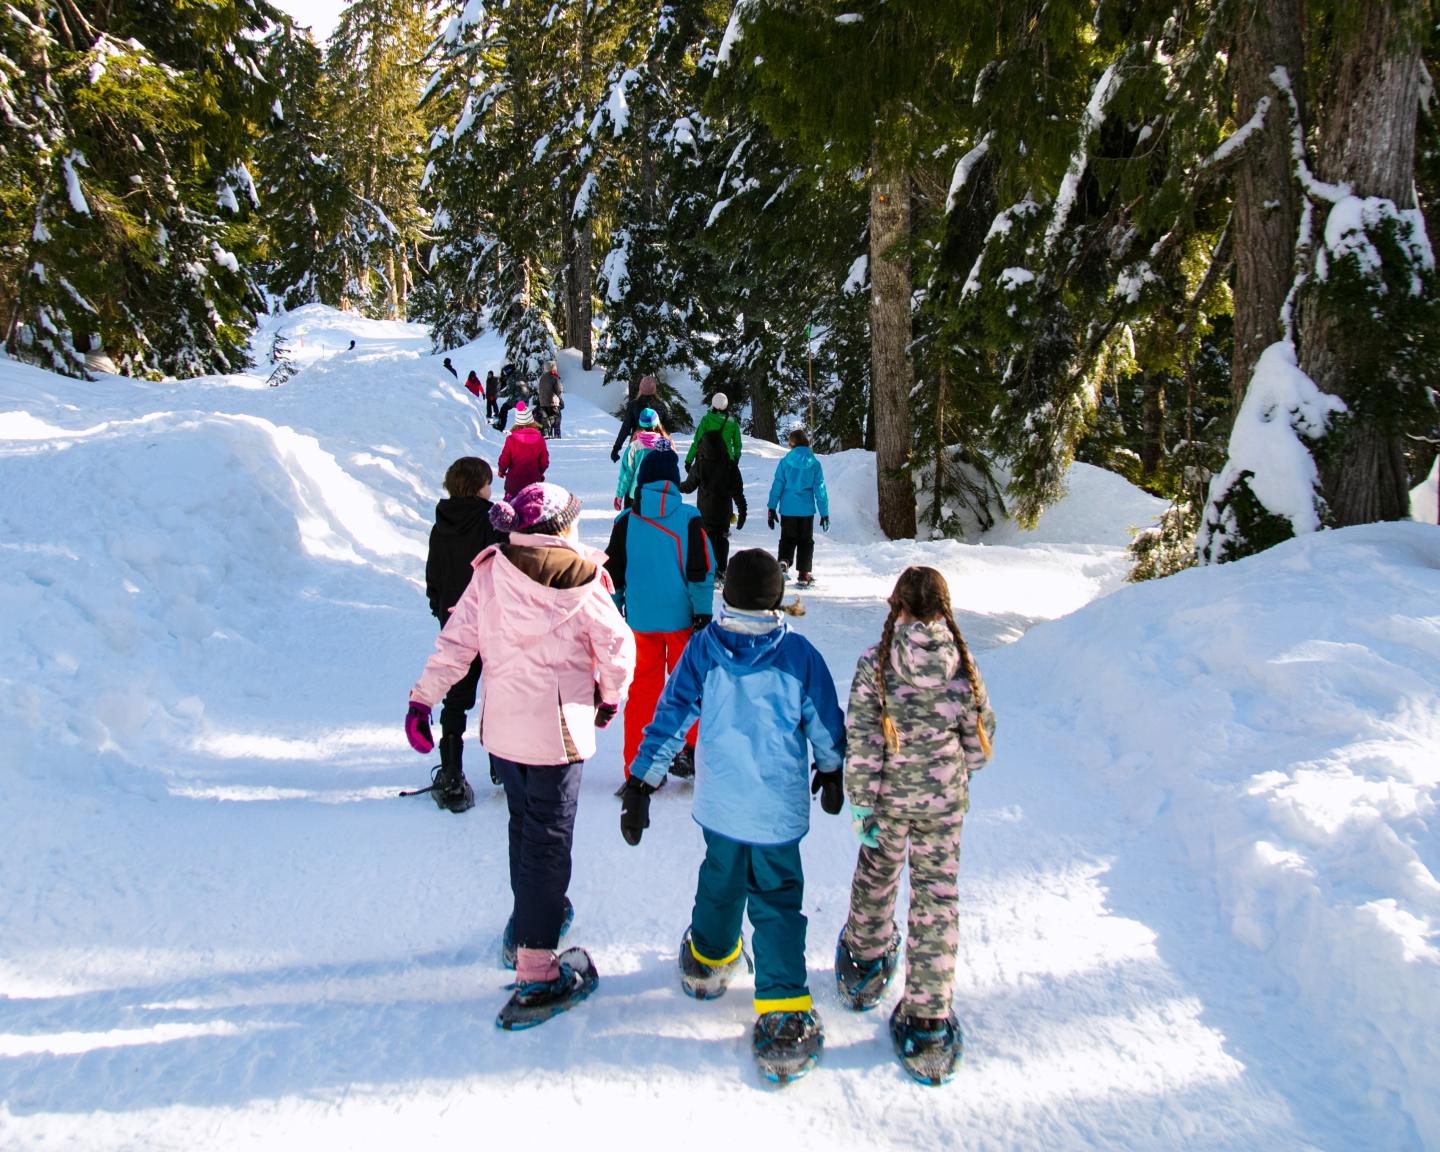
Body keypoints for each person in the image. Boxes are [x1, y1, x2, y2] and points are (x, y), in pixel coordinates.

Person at [406, 482, 636, 1029]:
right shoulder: (586, 584)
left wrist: (423, 699)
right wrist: (610, 698)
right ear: (560, 529)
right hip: (559, 737)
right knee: (548, 844)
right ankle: (537, 970)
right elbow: (618, 650)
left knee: (523, 828)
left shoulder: (489, 574)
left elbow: (456, 643)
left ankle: (530, 920)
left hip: (506, 733)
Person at [617, 548, 846, 1083]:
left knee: (720, 879)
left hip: (721, 805)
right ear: (776, 602)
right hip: (775, 811)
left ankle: (709, 958)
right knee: (777, 898)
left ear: (728, 596)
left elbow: (671, 715)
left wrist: (641, 782)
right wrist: (834, 771)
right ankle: (784, 1009)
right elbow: (825, 724)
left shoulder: (703, 651)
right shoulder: (799, 656)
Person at [835, 565, 995, 1085]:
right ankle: (928, 1015)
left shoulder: (877, 663)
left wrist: (861, 803)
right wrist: (949, 770)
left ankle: (864, 961)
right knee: (936, 899)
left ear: (896, 605)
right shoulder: (961, 665)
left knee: (876, 879)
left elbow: (861, 740)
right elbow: (979, 742)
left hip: (887, 799)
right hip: (943, 802)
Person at [604, 445, 712, 784]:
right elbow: (702, 569)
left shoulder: (626, 521)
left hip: (640, 621)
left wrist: (619, 603)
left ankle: (638, 764)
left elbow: (613, 571)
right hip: (682, 620)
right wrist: (702, 612)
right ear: (675, 482)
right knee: (686, 688)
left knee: (642, 692)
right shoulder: (689, 518)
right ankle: (689, 751)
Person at [422, 456, 508, 808]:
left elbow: (434, 575)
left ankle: (452, 773)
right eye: (488, 481)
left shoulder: (440, 524)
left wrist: (440, 608)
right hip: (493, 620)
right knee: (498, 690)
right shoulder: (494, 520)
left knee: (456, 698)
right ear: (477, 486)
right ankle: (502, 761)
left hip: (456, 622)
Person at [680, 427, 747, 583]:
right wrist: (742, 512)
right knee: (721, 541)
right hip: (724, 514)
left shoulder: (700, 466)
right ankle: (720, 571)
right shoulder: (730, 466)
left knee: (706, 540)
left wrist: (674, 485)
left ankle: (707, 568)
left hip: (705, 512)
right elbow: (738, 493)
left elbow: (688, 487)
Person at [766, 426, 829, 589]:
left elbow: (777, 485)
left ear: (792, 444)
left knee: (787, 538)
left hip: (787, 509)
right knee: (805, 541)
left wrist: (771, 507)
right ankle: (803, 574)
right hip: (806, 510)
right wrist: (824, 513)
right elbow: (820, 489)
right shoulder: (814, 464)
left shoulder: (785, 462)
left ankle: (784, 562)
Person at [613, 408, 669, 511]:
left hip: (634, 496)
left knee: (633, 525)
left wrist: (619, 495)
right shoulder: (664, 445)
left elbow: (626, 474)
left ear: (640, 425)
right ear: (656, 424)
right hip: (657, 495)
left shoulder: (634, 446)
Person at [610, 375, 672, 463]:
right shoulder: (661, 406)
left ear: (640, 389)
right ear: (654, 389)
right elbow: (667, 430)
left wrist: (616, 448)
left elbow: (625, 428)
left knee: (635, 474)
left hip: (636, 447)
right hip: (656, 448)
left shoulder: (633, 405)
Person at [498, 403, 549, 499]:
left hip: (513, 484)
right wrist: (540, 471)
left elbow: (505, 458)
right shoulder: (540, 439)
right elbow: (544, 461)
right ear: (532, 422)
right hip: (533, 482)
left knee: (511, 507)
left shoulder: (511, 439)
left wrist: (501, 470)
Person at [684, 392, 741, 469]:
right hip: (726, 460)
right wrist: (736, 457)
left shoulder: (706, 420)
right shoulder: (732, 422)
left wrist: (688, 461)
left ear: (713, 404)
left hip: (707, 459)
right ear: (726, 405)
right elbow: (737, 443)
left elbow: (697, 441)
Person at [537, 360, 564, 439]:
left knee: (546, 418)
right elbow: (559, 390)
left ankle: (546, 433)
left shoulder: (542, 378)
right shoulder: (554, 377)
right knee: (557, 417)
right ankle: (556, 434)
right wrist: (560, 398)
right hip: (553, 402)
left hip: (543, 402)